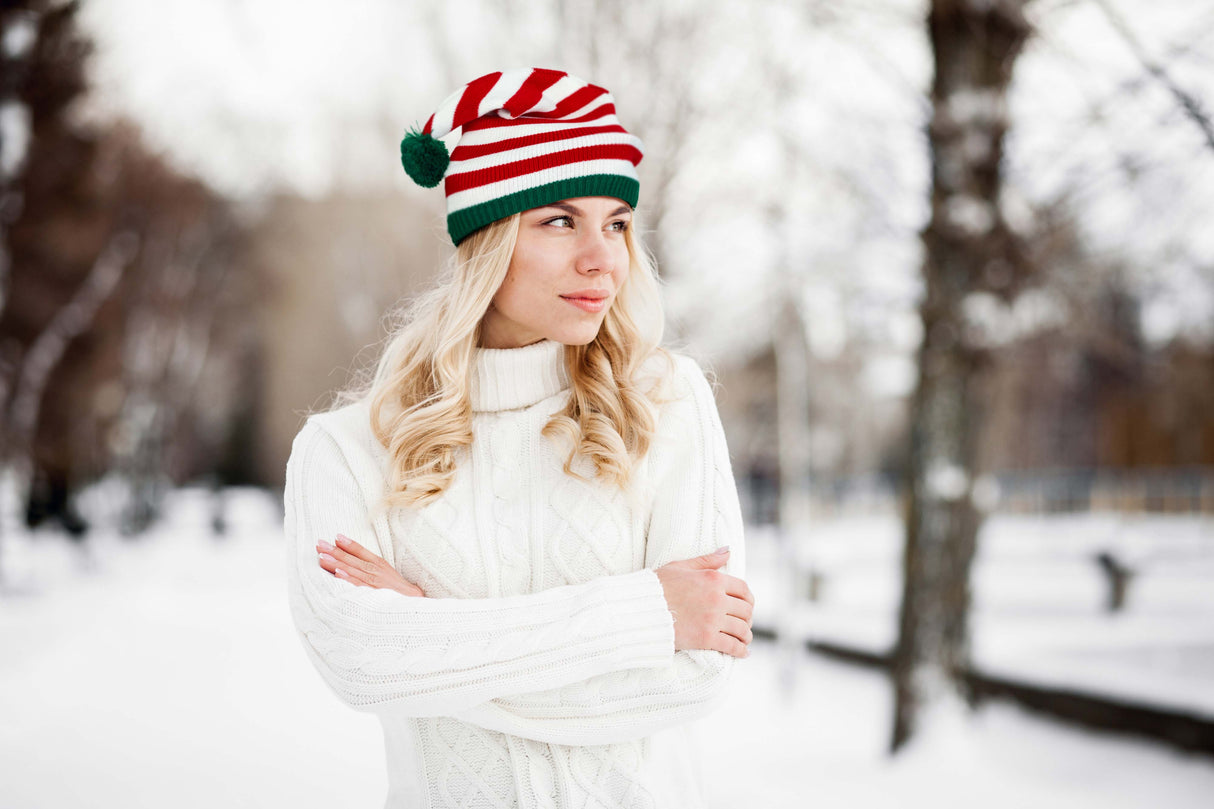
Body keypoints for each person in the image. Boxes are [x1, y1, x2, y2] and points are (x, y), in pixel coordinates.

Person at [284, 67, 755, 809]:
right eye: (560, 220)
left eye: (618, 223)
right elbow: (360, 661)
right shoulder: (347, 449)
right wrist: (645, 613)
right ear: (487, 239)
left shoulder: (668, 406)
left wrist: (429, 632)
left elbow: (698, 669)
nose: (604, 257)